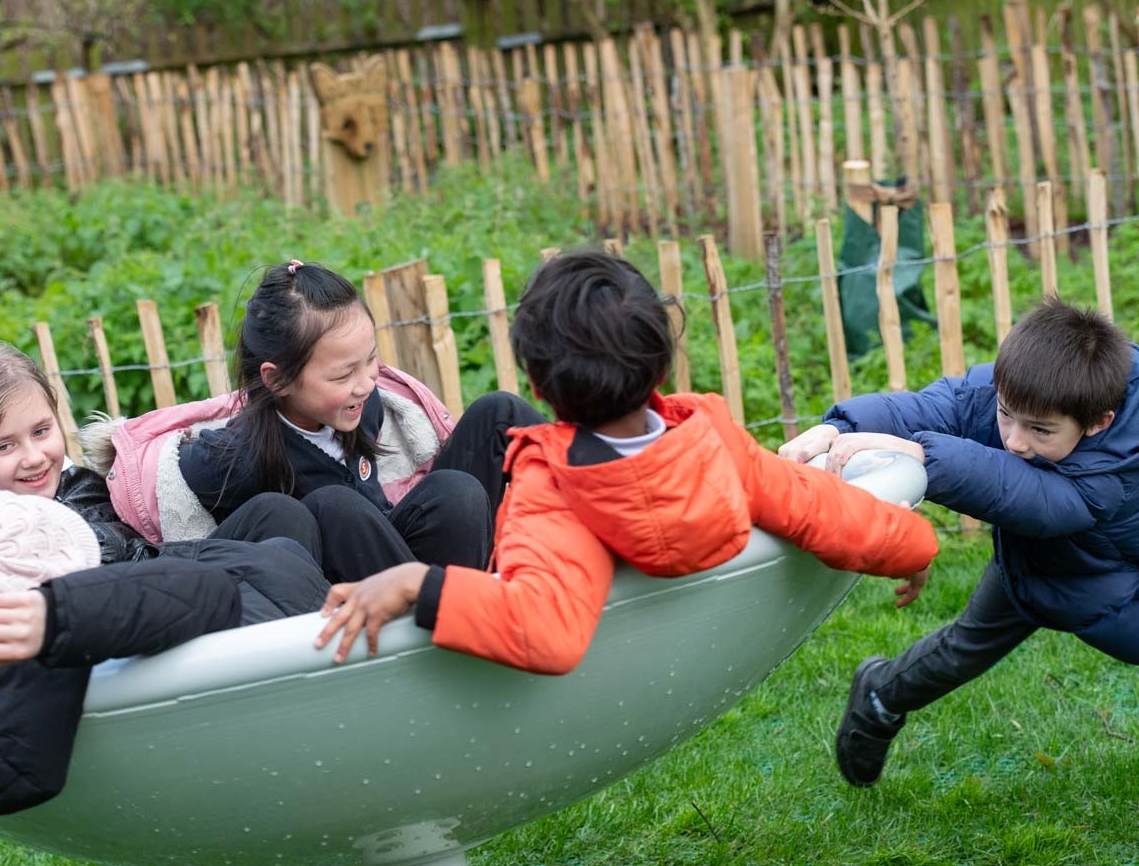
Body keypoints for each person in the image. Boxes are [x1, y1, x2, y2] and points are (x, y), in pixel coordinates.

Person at [778, 297, 1139, 822]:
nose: (1013, 439)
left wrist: (925, 456)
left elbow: (1048, 504)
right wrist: (841, 426)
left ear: (1099, 422)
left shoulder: (1126, 459)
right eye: (1005, 415)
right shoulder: (1027, 391)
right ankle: (878, 696)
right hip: (1038, 566)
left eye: (1039, 430)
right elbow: (935, 406)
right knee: (964, 648)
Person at [313, 251, 937, 673]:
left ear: (536, 380)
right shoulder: (709, 439)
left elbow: (545, 627)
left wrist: (416, 582)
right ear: (661, 364)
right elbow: (819, 508)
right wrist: (913, 546)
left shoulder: (554, 486)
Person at [0, 491, 328, 814]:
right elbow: (205, 591)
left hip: (241, 590)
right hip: (280, 617)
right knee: (300, 516)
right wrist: (60, 614)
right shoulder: (87, 626)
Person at [0, 343, 320, 634]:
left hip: (155, 599)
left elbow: (159, 547)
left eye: (41, 431)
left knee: (277, 515)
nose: (34, 457)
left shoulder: (85, 486)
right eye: (4, 446)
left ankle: (294, 651)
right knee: (266, 565)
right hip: (83, 652)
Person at [176, 259, 544, 583]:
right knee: (334, 506)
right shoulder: (235, 457)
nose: (366, 383)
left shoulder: (363, 406)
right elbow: (166, 493)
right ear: (277, 380)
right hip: (337, 595)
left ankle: (597, 504)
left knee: (489, 431)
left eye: (370, 360)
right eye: (343, 375)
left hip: (391, 556)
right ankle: (440, 616)